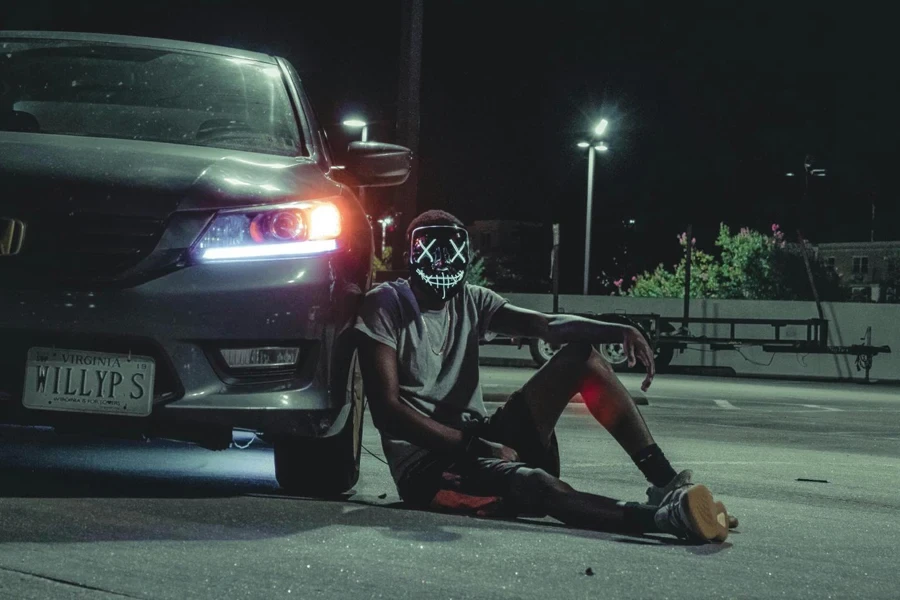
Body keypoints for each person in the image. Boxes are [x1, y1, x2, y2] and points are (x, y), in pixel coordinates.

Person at [355, 210, 736, 543]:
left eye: (450, 254)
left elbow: (548, 326)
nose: (441, 265)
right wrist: (478, 448)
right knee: (536, 485)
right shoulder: (386, 304)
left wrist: (616, 329)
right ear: (415, 254)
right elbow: (388, 412)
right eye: (432, 254)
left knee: (580, 357)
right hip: (432, 466)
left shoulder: (470, 298)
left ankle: (667, 485)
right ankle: (662, 519)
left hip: (483, 436)